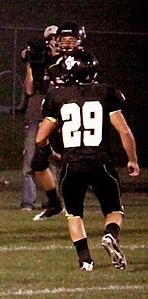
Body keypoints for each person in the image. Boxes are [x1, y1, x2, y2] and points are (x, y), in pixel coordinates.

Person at [35, 50, 140, 271]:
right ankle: (110, 234)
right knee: (113, 209)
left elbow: (40, 138)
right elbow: (125, 132)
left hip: (71, 163)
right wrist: (133, 160)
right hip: (100, 161)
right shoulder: (106, 92)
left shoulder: (58, 96)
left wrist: (51, 154)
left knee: (74, 213)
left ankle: (85, 260)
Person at [32, 21, 87, 221]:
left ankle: (97, 203)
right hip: (55, 119)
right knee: (38, 162)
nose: (66, 43)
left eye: (71, 39)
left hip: (75, 120)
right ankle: (54, 202)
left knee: (76, 165)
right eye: (63, 39)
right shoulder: (53, 65)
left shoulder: (84, 62)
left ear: (80, 40)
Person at [19, 25, 59, 211]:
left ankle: (51, 200)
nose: (52, 42)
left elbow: (58, 88)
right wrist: (29, 63)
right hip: (35, 114)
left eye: (55, 38)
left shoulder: (62, 64)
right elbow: (29, 90)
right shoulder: (37, 63)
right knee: (29, 159)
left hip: (53, 116)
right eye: (49, 38)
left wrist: (55, 59)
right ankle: (28, 201)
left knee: (51, 159)